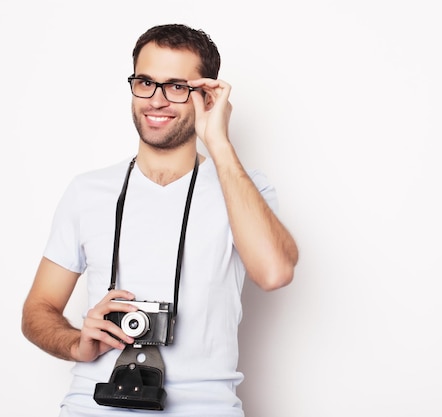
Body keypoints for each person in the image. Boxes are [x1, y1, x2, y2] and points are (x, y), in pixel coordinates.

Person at [21, 23, 299, 416]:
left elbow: (274, 272)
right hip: (94, 404)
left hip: (204, 407)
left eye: (177, 86)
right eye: (145, 82)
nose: (157, 100)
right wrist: (75, 342)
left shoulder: (243, 188)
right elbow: (38, 308)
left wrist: (218, 141)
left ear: (206, 94)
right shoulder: (88, 191)